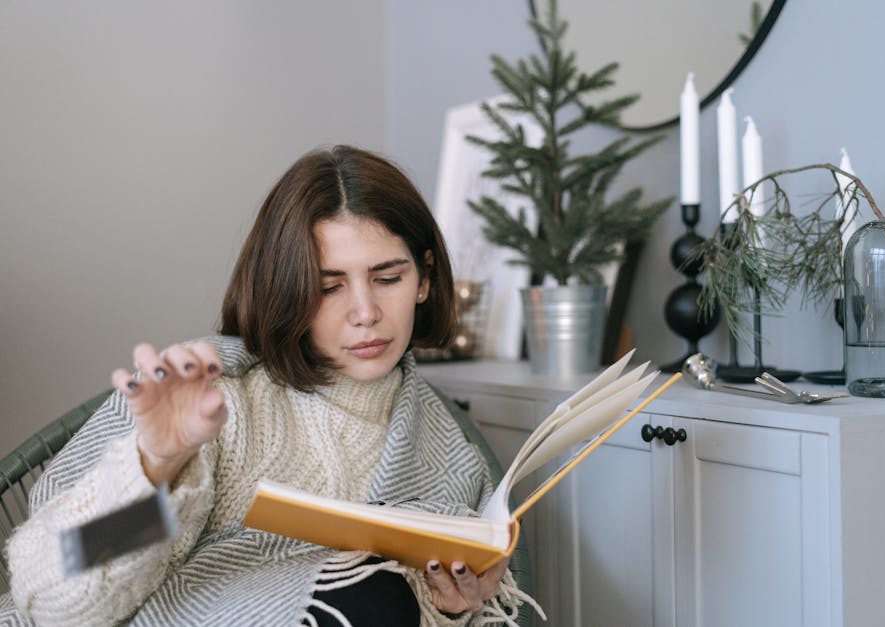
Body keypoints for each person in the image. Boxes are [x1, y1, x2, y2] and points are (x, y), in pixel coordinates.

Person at [2, 146, 536, 626]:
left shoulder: (453, 463)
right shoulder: (215, 403)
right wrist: (157, 465)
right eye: (329, 287)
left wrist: (447, 607)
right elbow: (51, 602)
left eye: (388, 278)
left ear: (424, 279)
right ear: (288, 290)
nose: (366, 313)